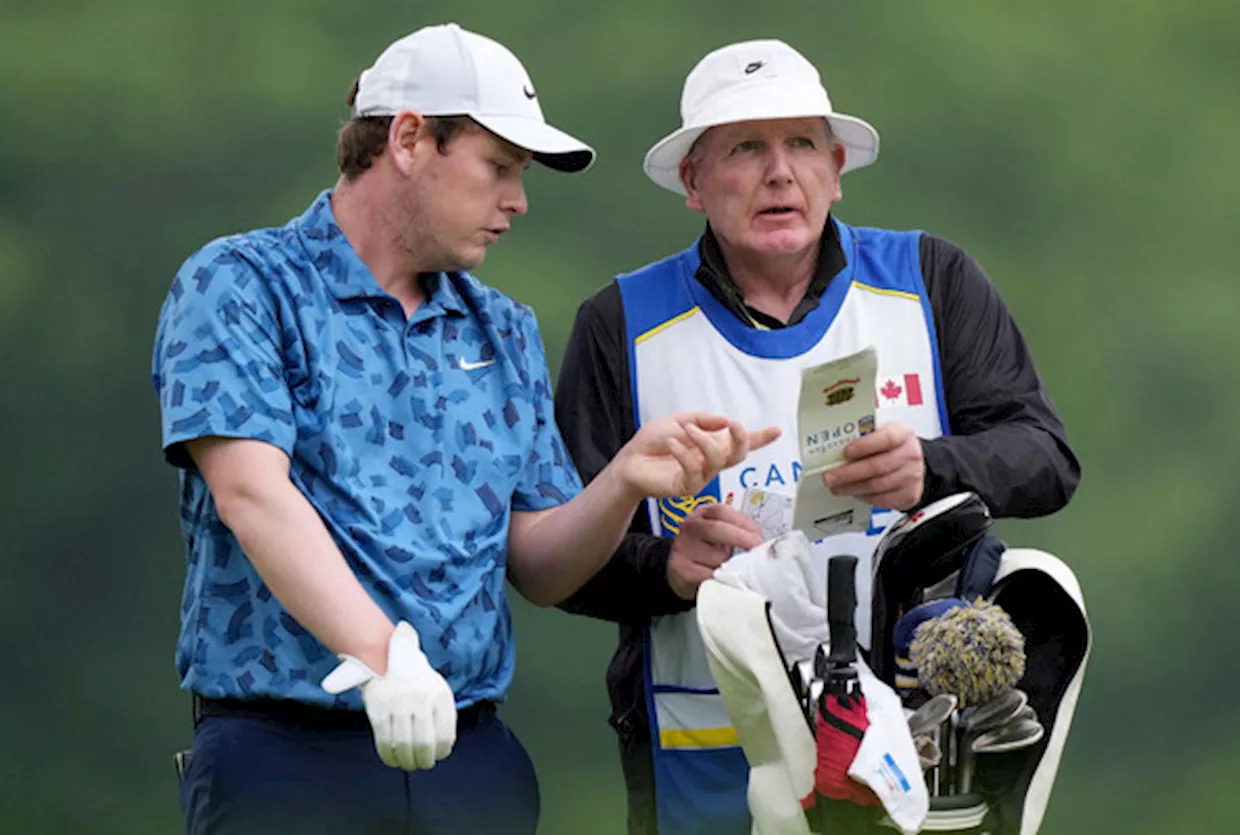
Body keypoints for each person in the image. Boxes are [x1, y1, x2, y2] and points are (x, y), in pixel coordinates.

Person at [151, 23, 778, 835]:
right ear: (409, 138)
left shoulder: (502, 329)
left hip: (470, 758)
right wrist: (386, 658)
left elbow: (540, 565)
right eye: (499, 168)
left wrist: (623, 480)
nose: (517, 199)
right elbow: (251, 494)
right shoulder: (241, 285)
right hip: (285, 755)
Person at [553, 38, 1082, 835]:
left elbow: (1047, 458)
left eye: (801, 143)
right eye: (744, 149)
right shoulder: (618, 323)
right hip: (701, 752)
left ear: (835, 168)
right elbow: (554, 561)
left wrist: (930, 468)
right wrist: (665, 566)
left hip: (923, 749)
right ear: (694, 181)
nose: (779, 172)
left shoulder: (930, 280)